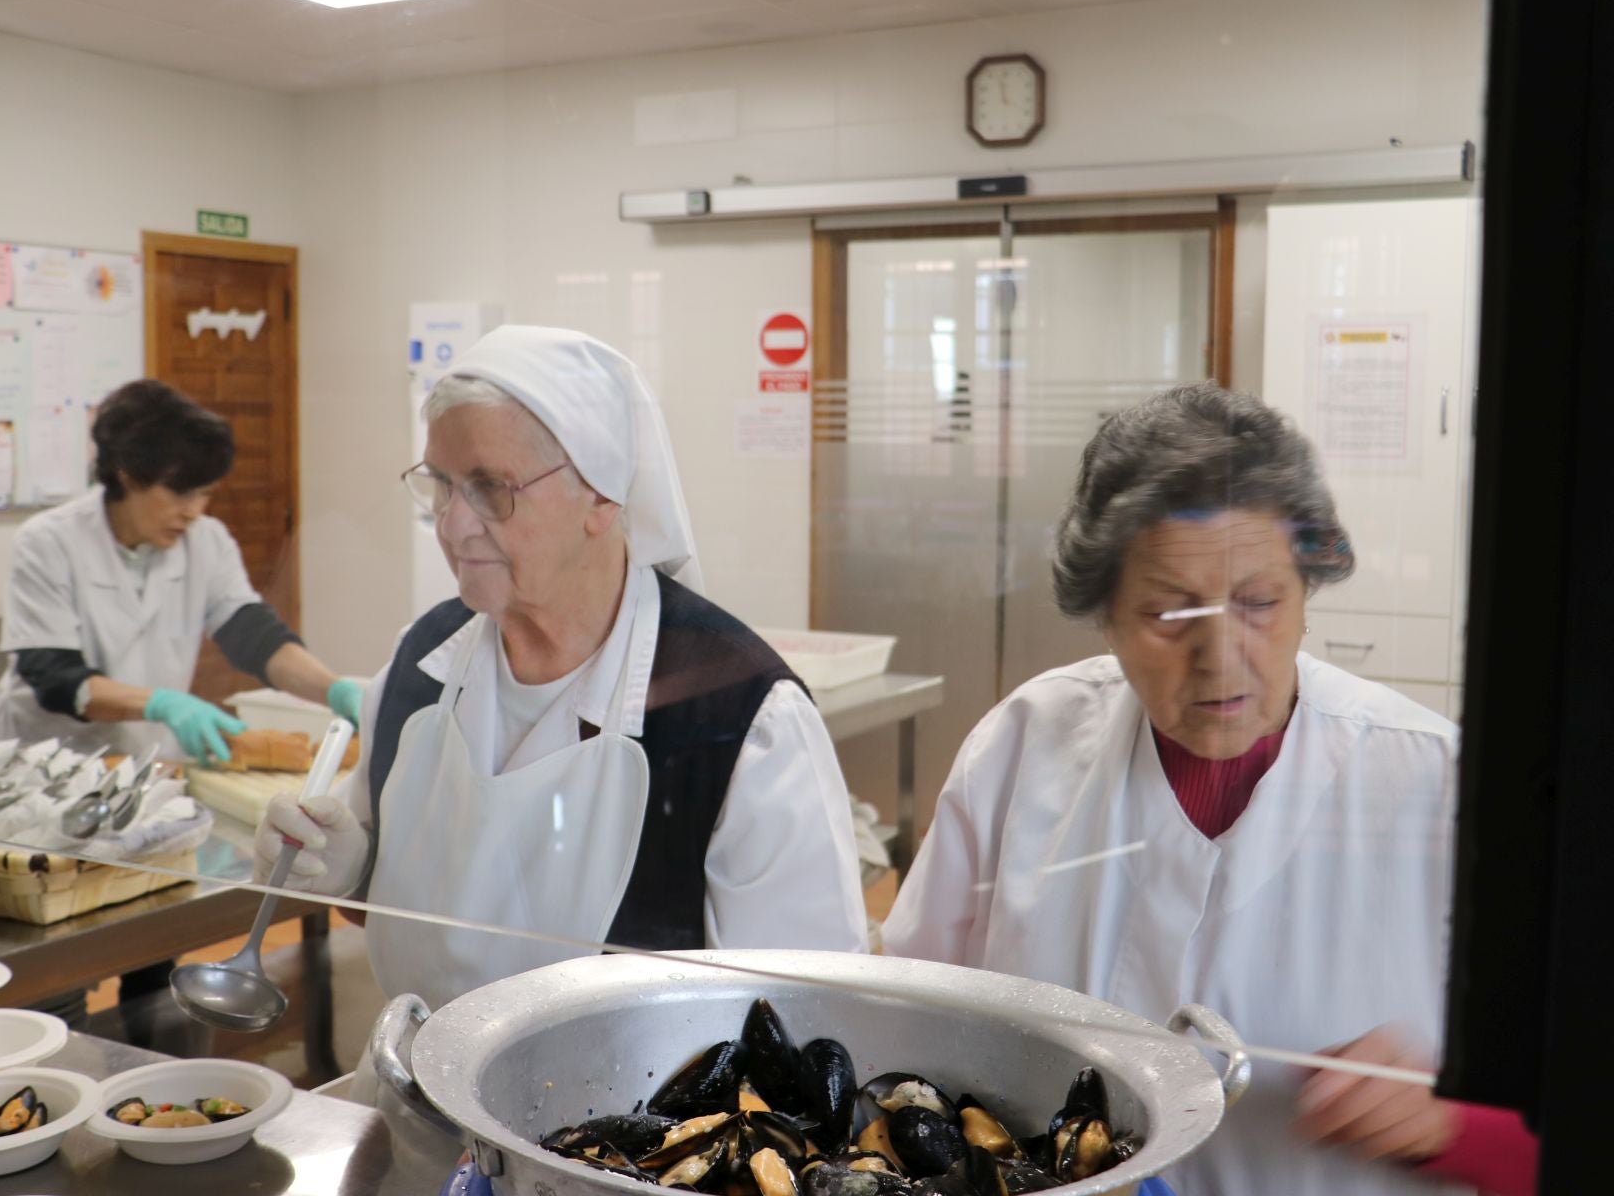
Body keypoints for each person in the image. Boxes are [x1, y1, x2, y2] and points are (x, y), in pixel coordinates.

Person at [883, 384, 1534, 1196]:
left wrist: (1456, 1126)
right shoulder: (1025, 746)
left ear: (1308, 591)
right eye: (1167, 614)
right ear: (1104, 615)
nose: (1223, 659)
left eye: (1260, 603)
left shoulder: (1436, 786)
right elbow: (902, 1033)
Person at [256, 325, 867, 1012]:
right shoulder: (420, 664)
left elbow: (808, 1012)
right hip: (415, 1097)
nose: (452, 526)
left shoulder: (742, 721)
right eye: (440, 486)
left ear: (603, 497)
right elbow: (395, 900)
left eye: (490, 488)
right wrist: (347, 867)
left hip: (637, 1116)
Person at [0, 379, 361, 764]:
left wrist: (334, 690)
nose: (194, 511)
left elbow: (254, 636)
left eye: (205, 492)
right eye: (180, 493)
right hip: (49, 762)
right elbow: (54, 679)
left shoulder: (207, 541)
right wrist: (161, 704)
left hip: (145, 763)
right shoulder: (50, 541)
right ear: (128, 475)